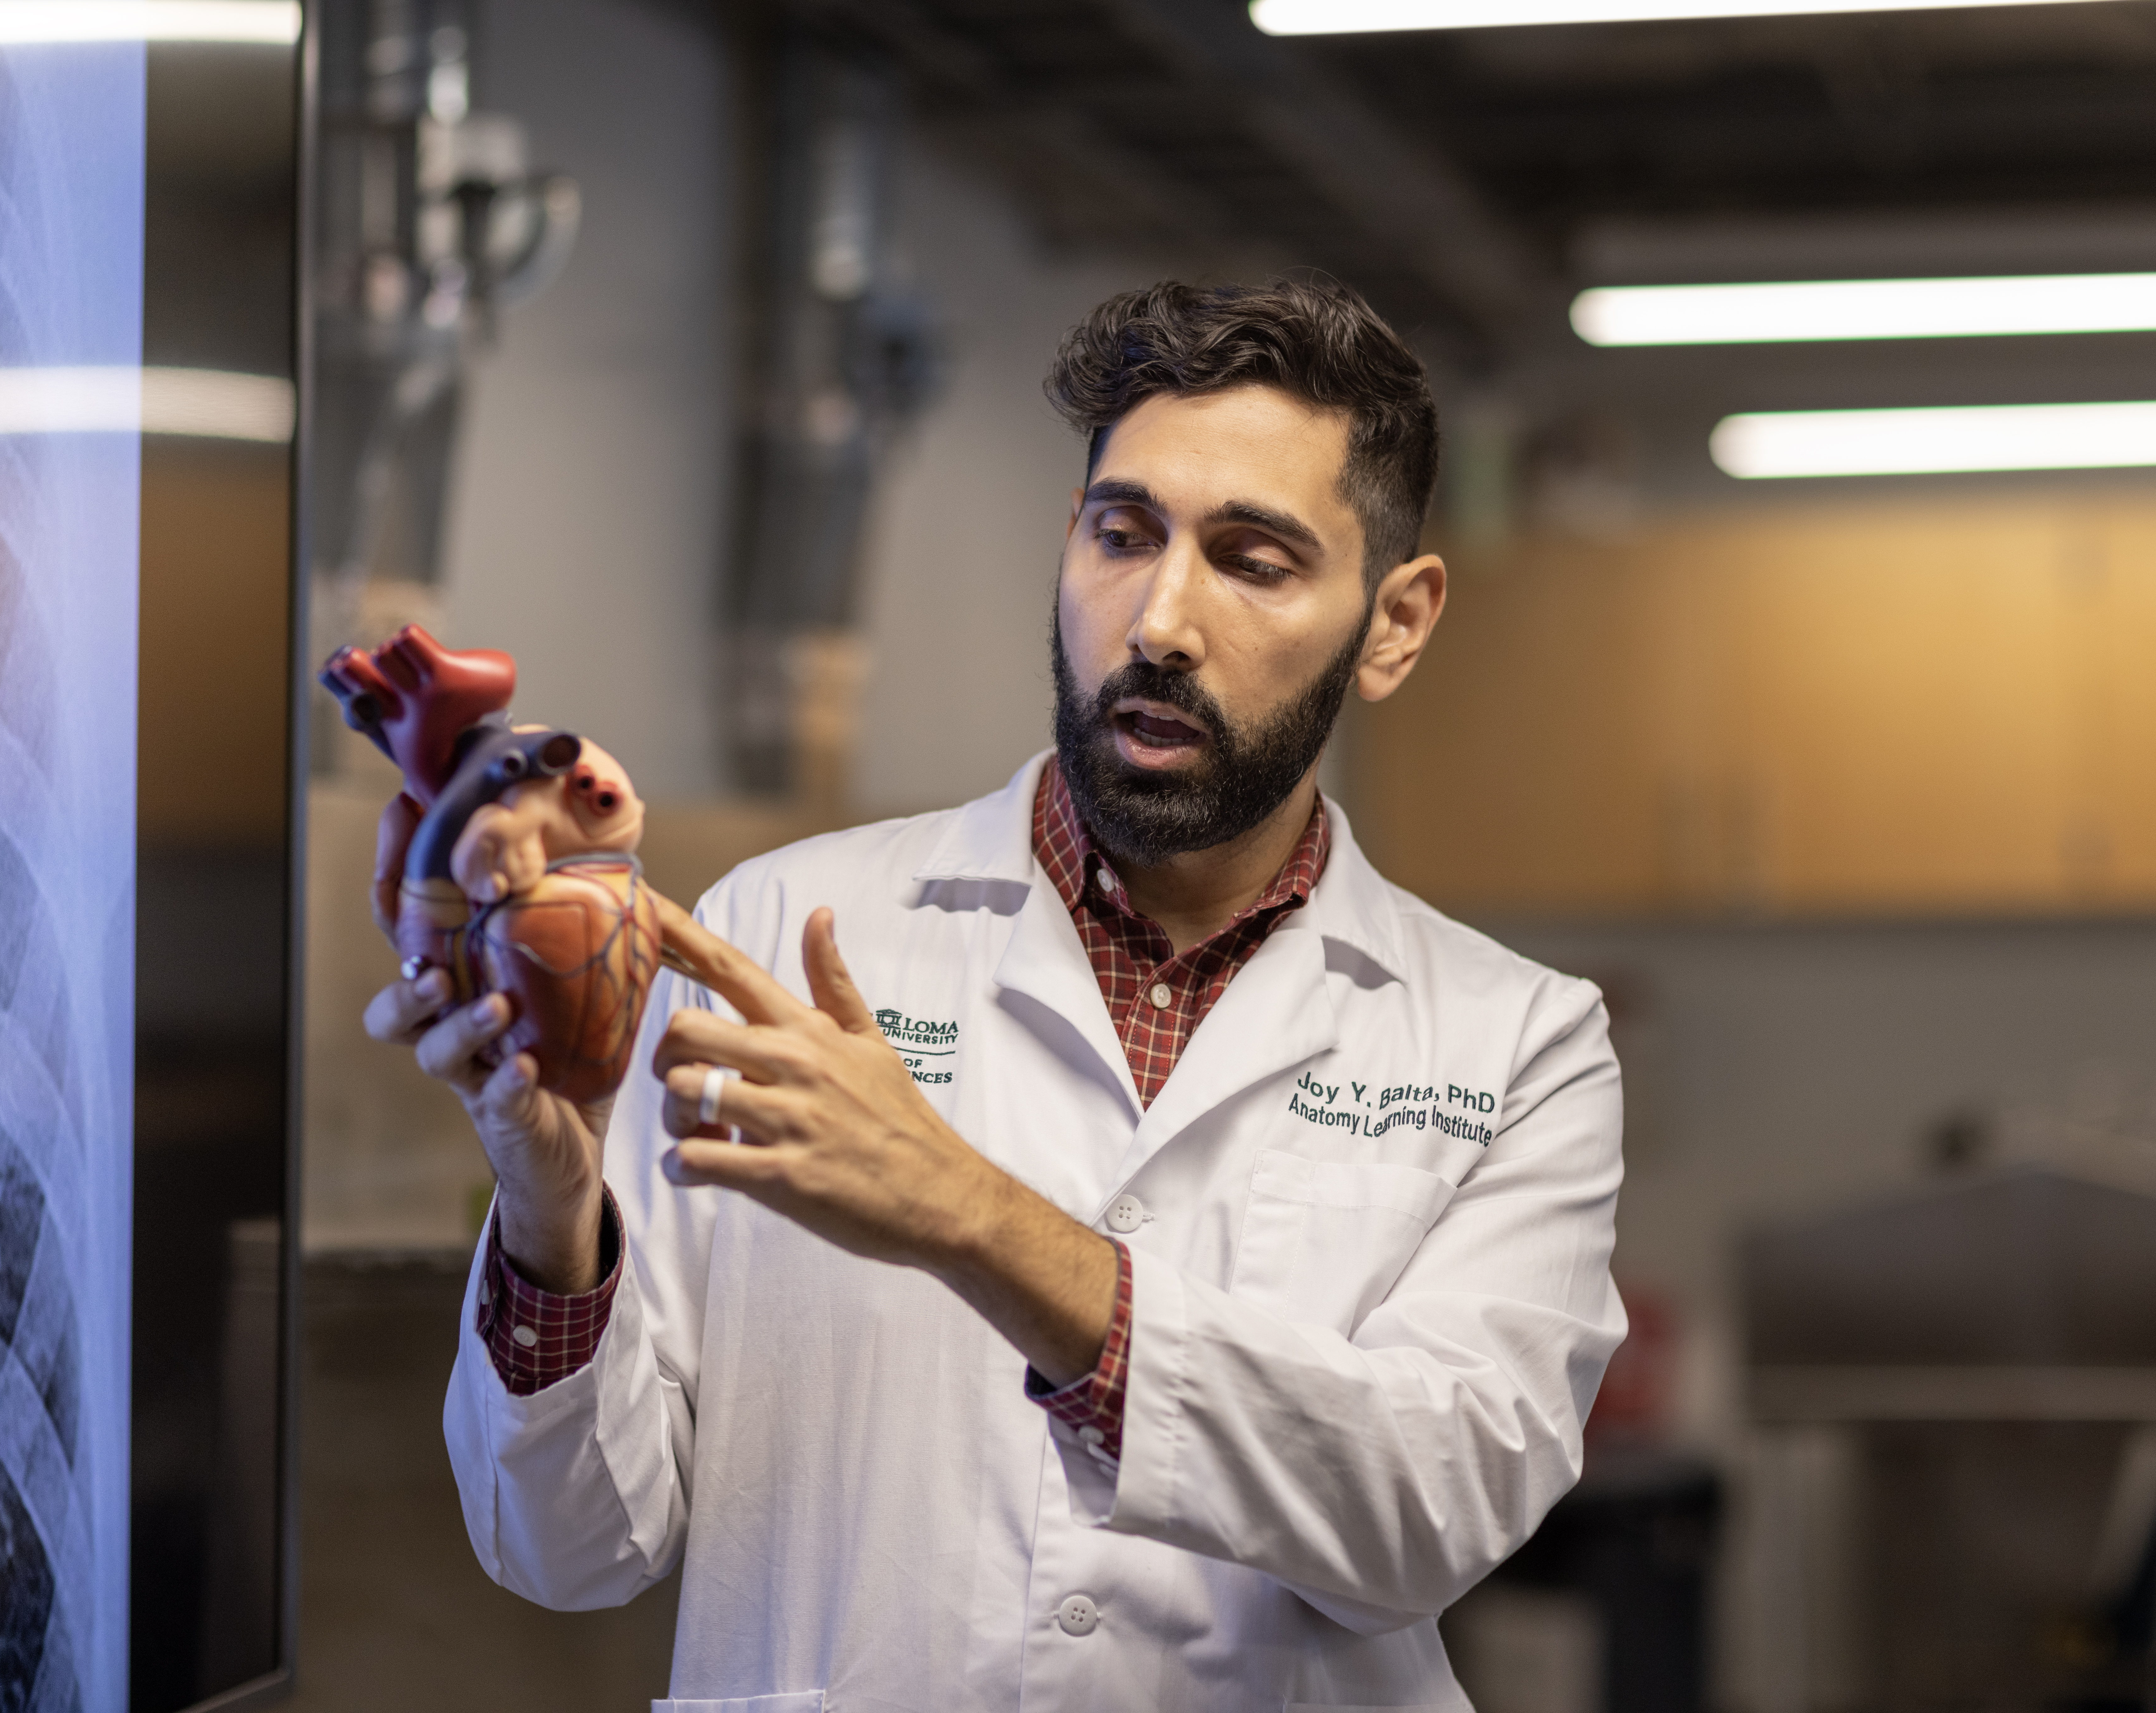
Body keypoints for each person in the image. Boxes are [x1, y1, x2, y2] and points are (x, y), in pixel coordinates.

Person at [363, 276, 1625, 1711]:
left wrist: (960, 1210)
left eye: (1252, 559)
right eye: (1122, 533)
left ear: (1392, 624)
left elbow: (1424, 1510)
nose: (1158, 619)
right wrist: (550, 1205)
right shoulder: (776, 930)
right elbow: (569, 1547)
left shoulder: (1516, 1043)